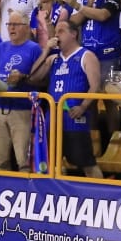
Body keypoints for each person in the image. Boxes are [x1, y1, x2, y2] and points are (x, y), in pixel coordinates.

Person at [37, 16, 103, 178]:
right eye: (56, 32)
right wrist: (46, 51)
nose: (57, 35)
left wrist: (83, 106)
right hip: (53, 118)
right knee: (53, 164)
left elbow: (96, 86)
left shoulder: (86, 56)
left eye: (61, 31)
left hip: (75, 119)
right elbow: (34, 78)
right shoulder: (54, 59)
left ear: (73, 34)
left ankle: (101, 195)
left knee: (87, 163)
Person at [0, 10, 44, 171]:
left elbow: (41, 79)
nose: (11, 28)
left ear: (26, 27)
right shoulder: (1, 47)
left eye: (15, 25)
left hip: (22, 110)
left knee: (23, 160)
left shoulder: (34, 49)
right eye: (9, 24)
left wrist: (23, 77)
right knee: (0, 160)